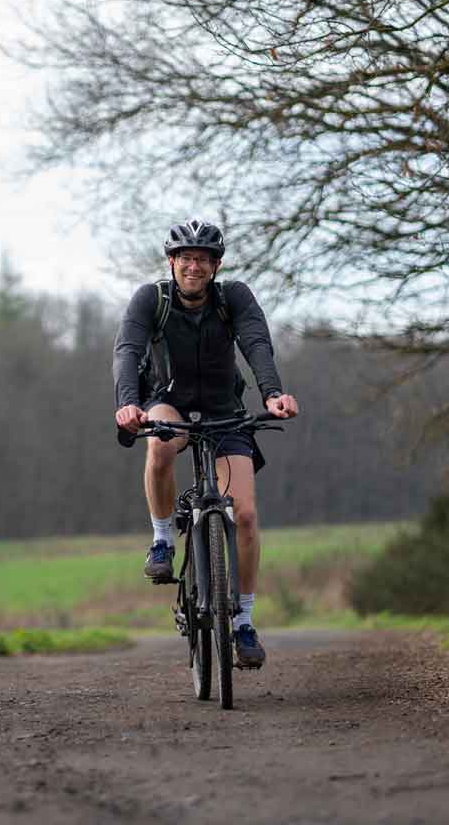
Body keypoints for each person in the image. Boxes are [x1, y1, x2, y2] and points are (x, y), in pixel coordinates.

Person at [112, 219, 299, 669]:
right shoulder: (151, 300)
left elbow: (257, 344)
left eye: (202, 259)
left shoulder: (233, 298)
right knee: (161, 443)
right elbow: (128, 350)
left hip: (223, 410)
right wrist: (128, 403)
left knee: (246, 515)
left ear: (216, 266)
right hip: (167, 402)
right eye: (185, 258)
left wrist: (272, 393)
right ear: (171, 262)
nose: (193, 266)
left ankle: (244, 622)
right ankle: (162, 541)